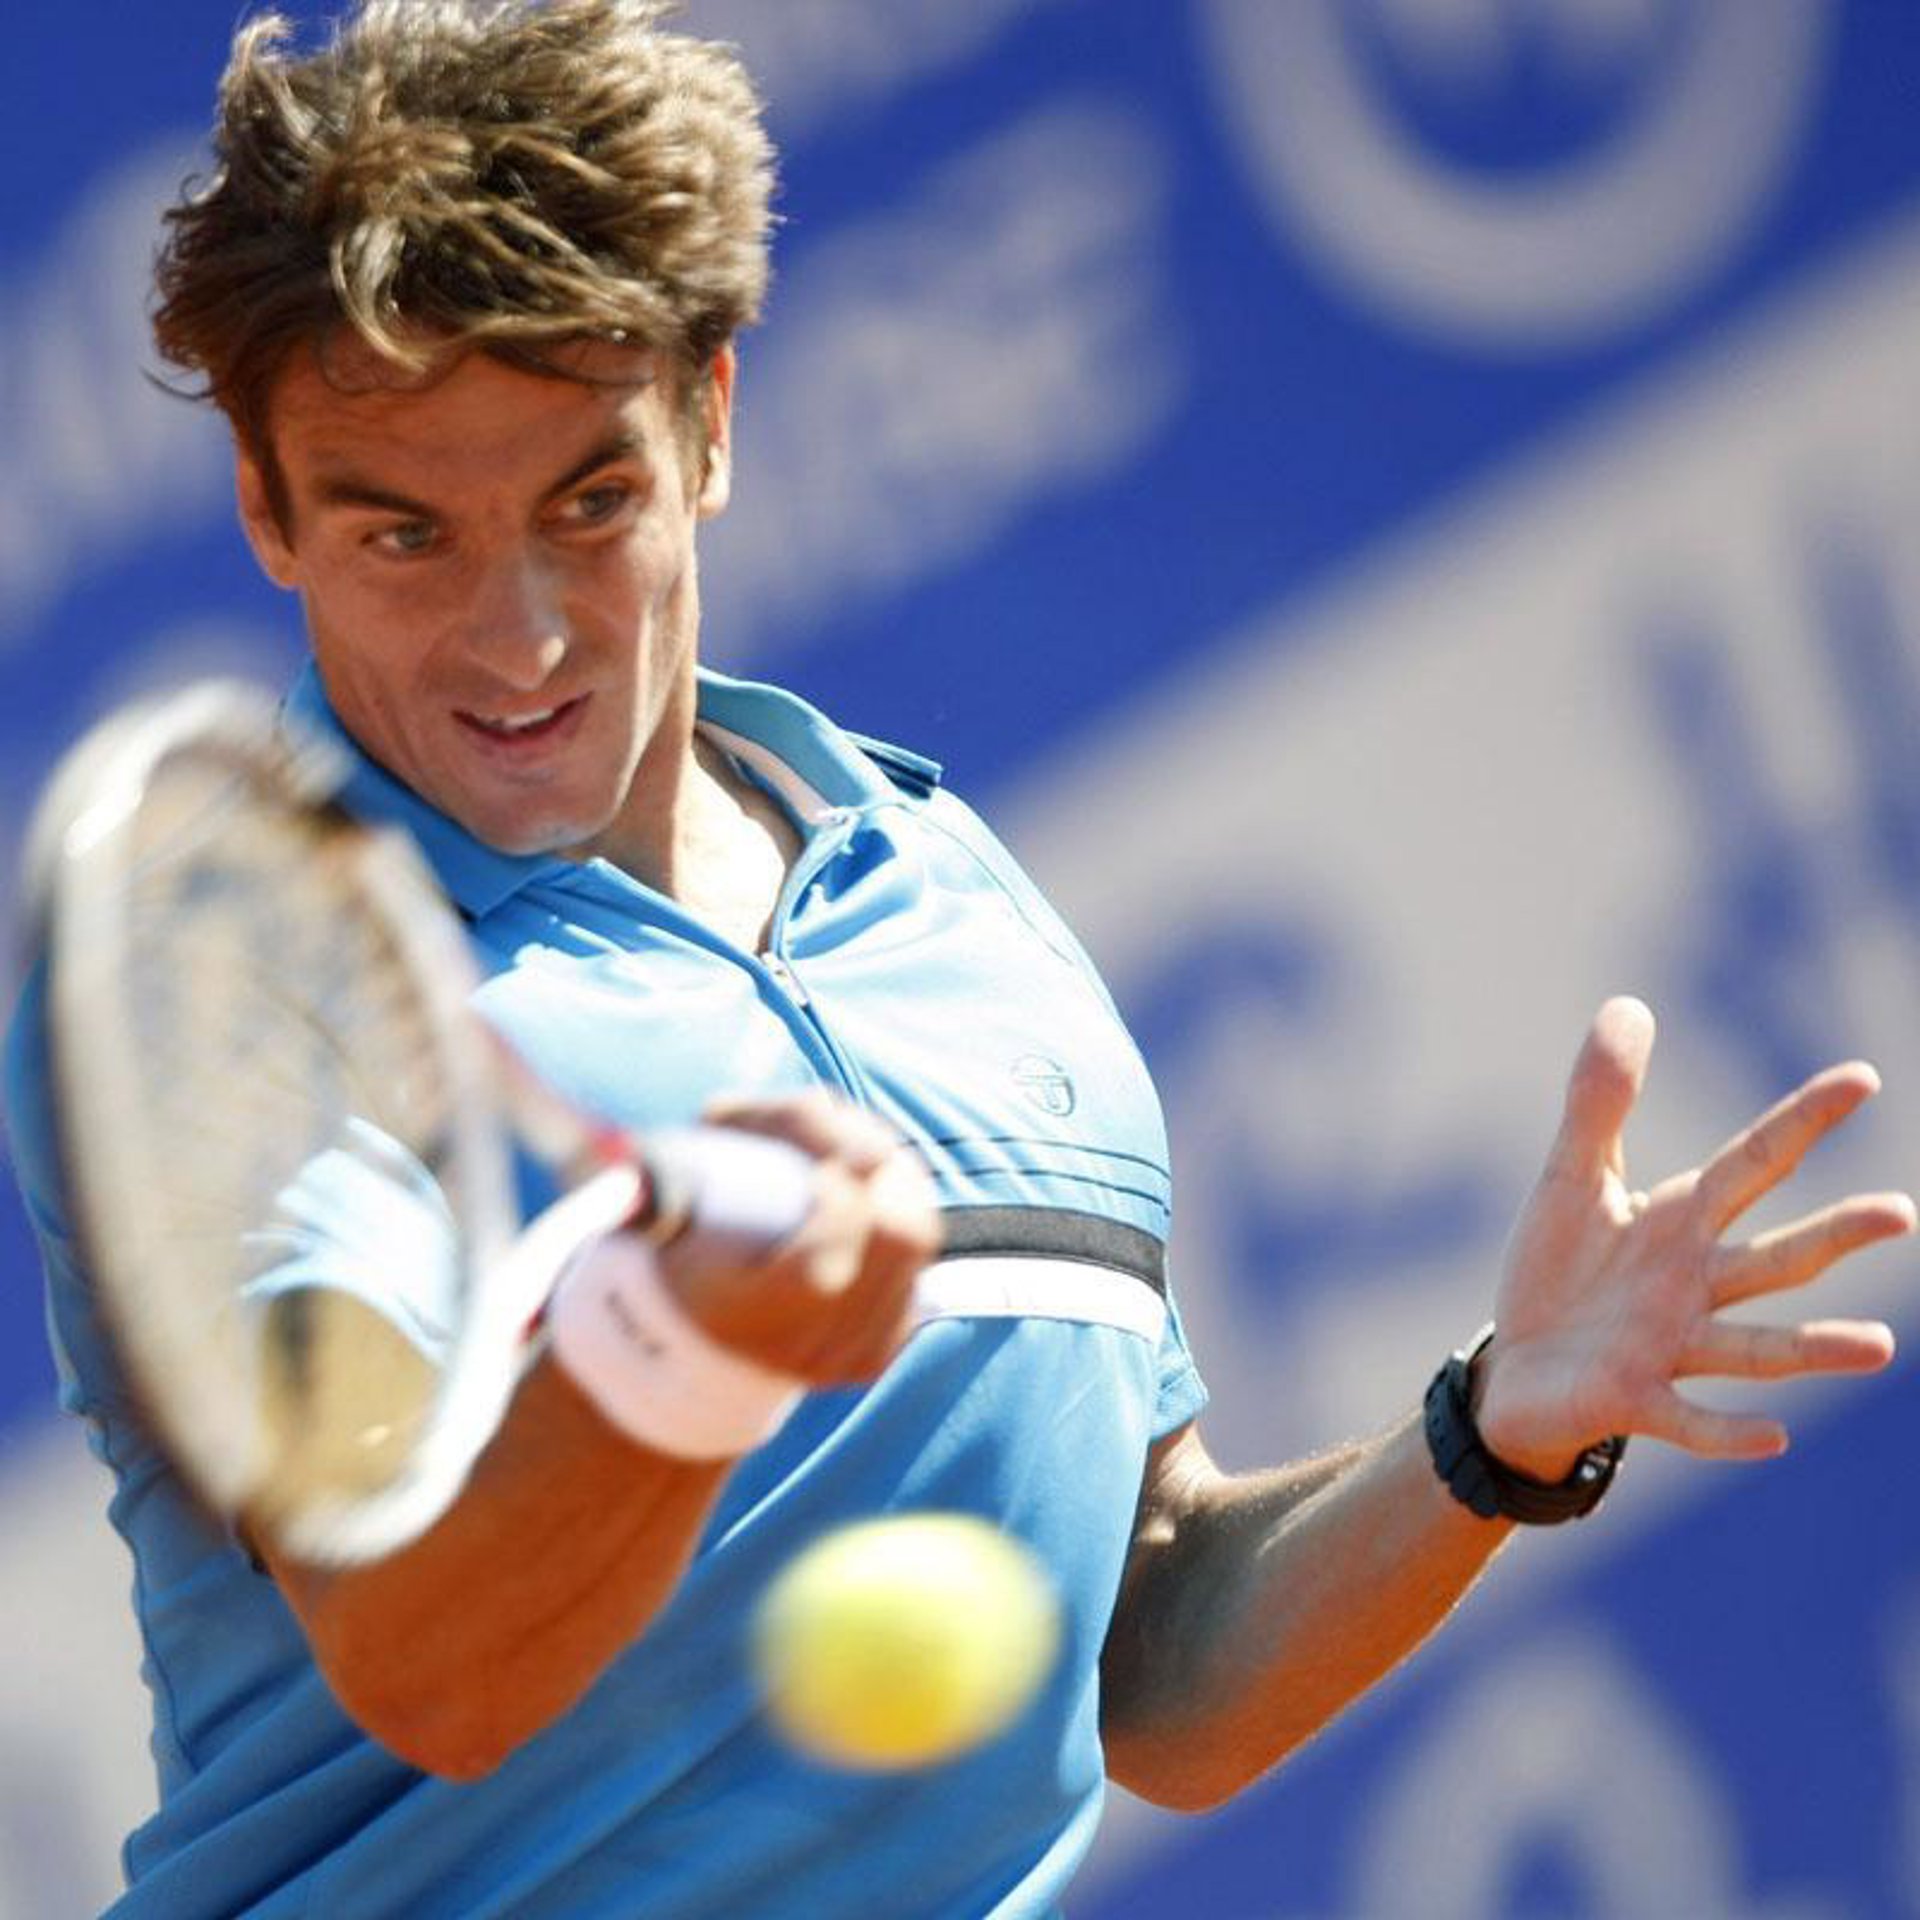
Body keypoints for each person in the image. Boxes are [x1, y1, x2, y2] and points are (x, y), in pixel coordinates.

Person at [3, 3, 1910, 1914]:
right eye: (405, 537)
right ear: (265, 508)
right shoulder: (222, 977)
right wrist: (686, 1350)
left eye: (591, 505)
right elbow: (427, 1662)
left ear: (713, 424)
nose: (521, 641)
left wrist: (1489, 1438)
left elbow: (1155, 1658)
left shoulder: (947, 895)